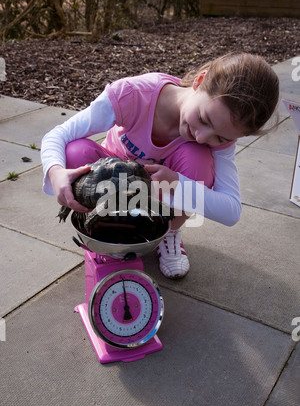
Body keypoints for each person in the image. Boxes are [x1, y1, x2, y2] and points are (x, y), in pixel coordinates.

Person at [41, 52, 279, 279]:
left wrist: (177, 183)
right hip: (113, 181)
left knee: (199, 158)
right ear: (200, 80)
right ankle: (101, 224)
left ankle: (169, 232)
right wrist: (55, 172)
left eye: (221, 138)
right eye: (204, 119)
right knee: (74, 152)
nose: (203, 137)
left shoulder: (222, 130)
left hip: (159, 198)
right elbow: (57, 135)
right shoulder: (132, 95)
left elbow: (231, 211)